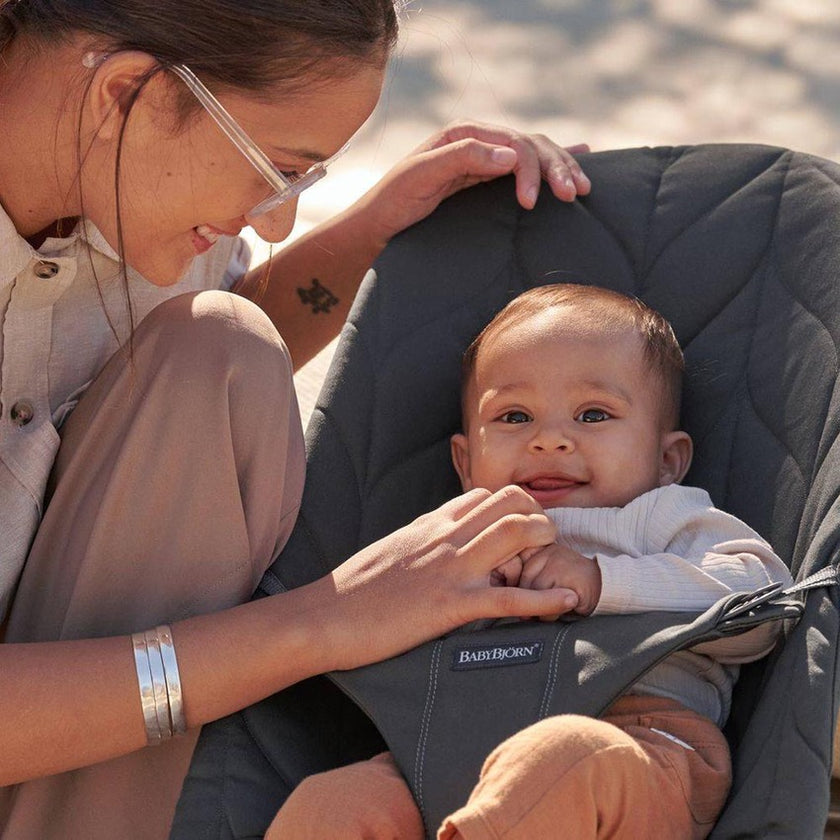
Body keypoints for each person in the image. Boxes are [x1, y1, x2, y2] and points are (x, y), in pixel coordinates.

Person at [0, 2, 595, 838]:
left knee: (222, 349)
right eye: (275, 168)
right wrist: (325, 623)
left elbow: (189, 356)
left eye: (302, 181)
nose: (276, 219)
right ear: (127, 92)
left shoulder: (124, 172)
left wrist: (380, 226)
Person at [268, 283, 793, 840]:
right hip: (447, 747)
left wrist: (602, 582)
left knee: (562, 758)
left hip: (637, 740)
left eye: (593, 414)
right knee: (331, 803)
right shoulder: (453, 537)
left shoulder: (660, 517)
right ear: (466, 463)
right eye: (515, 416)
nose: (550, 440)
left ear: (667, 460)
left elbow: (764, 600)